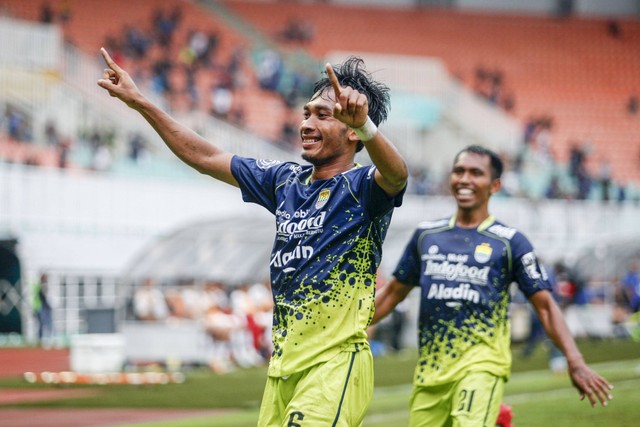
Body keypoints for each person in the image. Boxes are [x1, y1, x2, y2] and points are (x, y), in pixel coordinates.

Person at [98, 48, 408, 426]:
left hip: (334, 364)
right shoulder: (285, 181)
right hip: (282, 368)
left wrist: (369, 128)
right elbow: (205, 156)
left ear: (353, 131)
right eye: (306, 113)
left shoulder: (363, 187)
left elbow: (396, 175)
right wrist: (140, 103)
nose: (307, 123)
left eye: (323, 115)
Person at [373, 145, 612, 426]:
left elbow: (545, 306)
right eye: (459, 171)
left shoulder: (510, 242)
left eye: (476, 173)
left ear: (495, 185)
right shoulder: (427, 236)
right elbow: (392, 294)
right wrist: (349, 330)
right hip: (431, 373)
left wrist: (575, 360)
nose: (465, 179)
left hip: (482, 365)